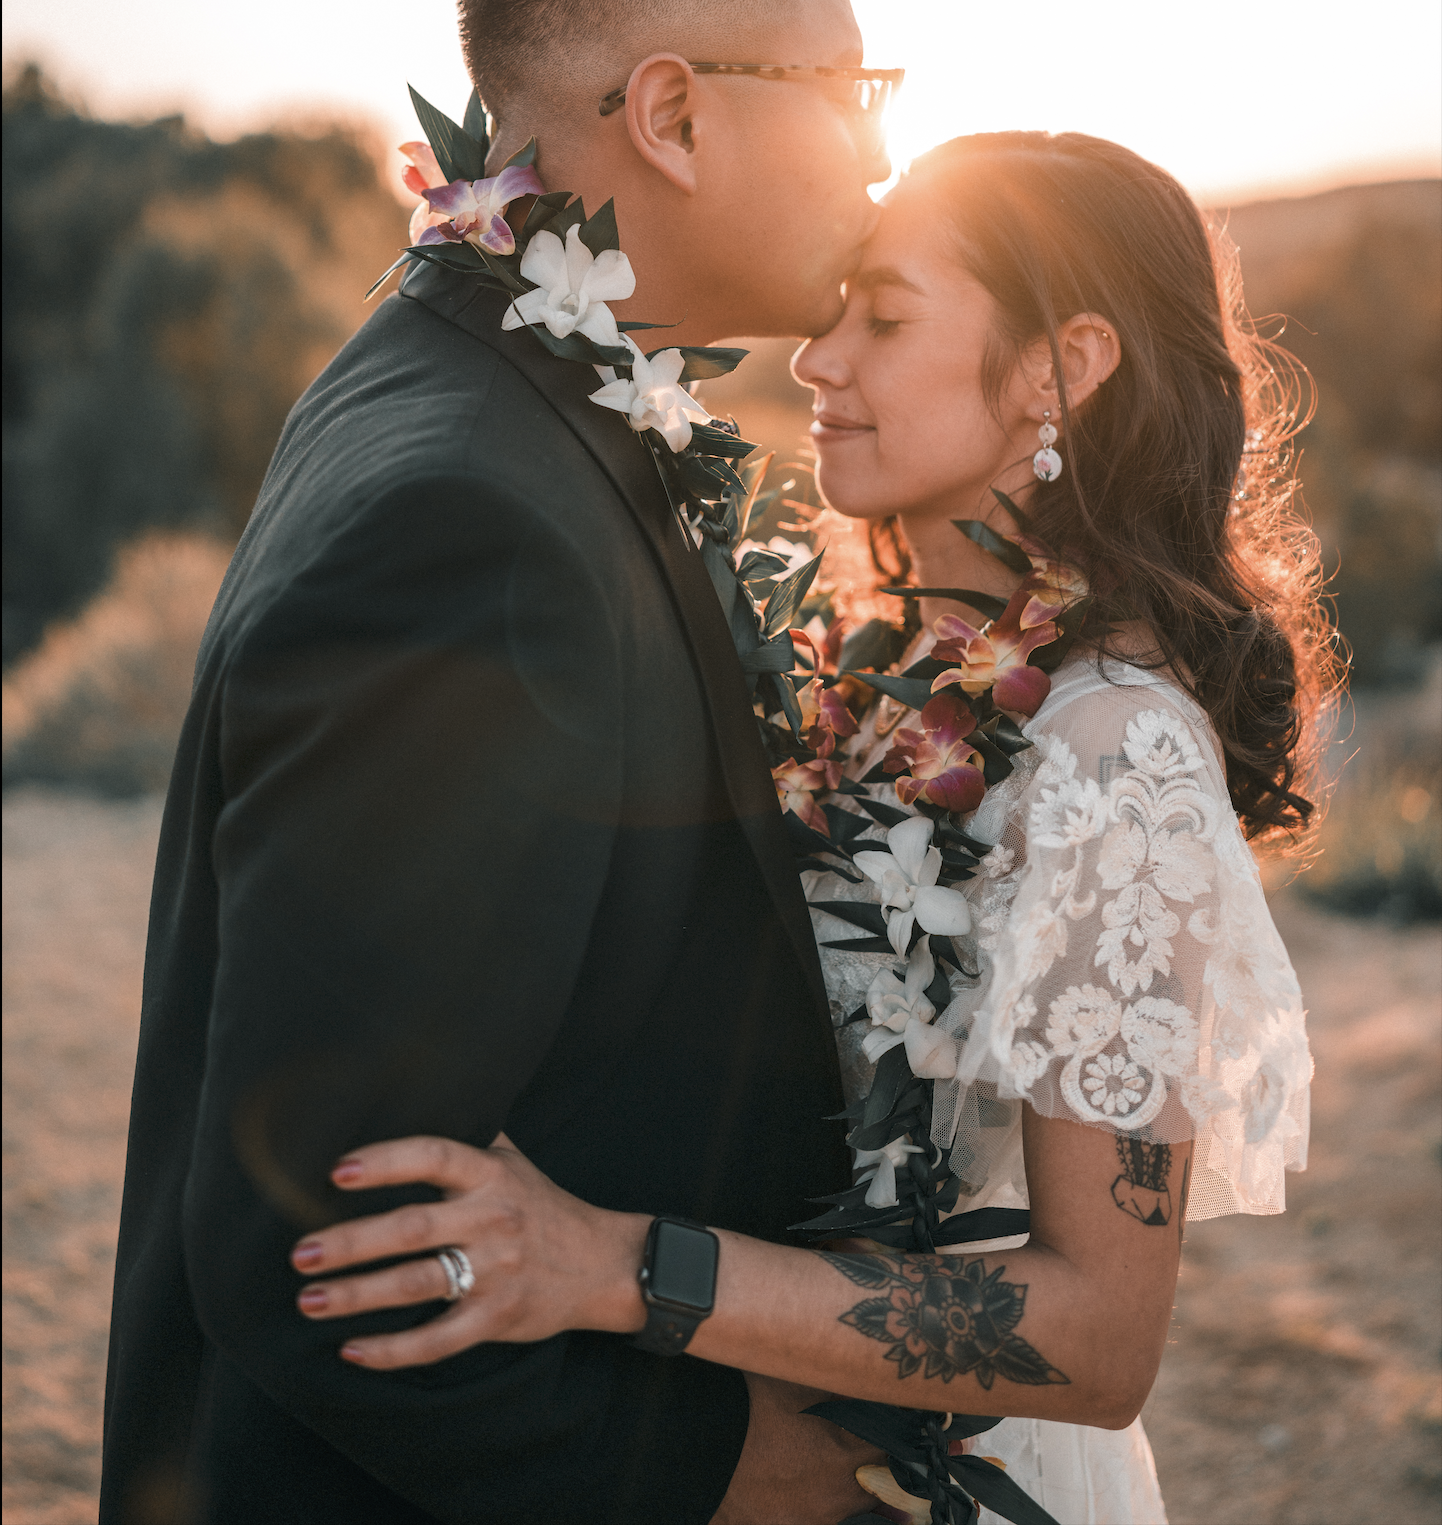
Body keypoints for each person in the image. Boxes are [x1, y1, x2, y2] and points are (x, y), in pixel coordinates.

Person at [281, 132, 1327, 1525]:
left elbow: (1095, 1335)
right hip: (718, 1430)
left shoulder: (1109, 749)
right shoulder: (879, 664)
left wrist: (610, 1264)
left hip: (926, 1477)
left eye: (883, 318)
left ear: (1061, 368)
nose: (814, 359)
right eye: (835, 308)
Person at [100, 0, 898, 1525]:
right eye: (852, 85)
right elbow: (328, 1230)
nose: (884, 147)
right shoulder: (473, 522)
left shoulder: (477, 381)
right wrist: (721, 1463)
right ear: (673, 114)